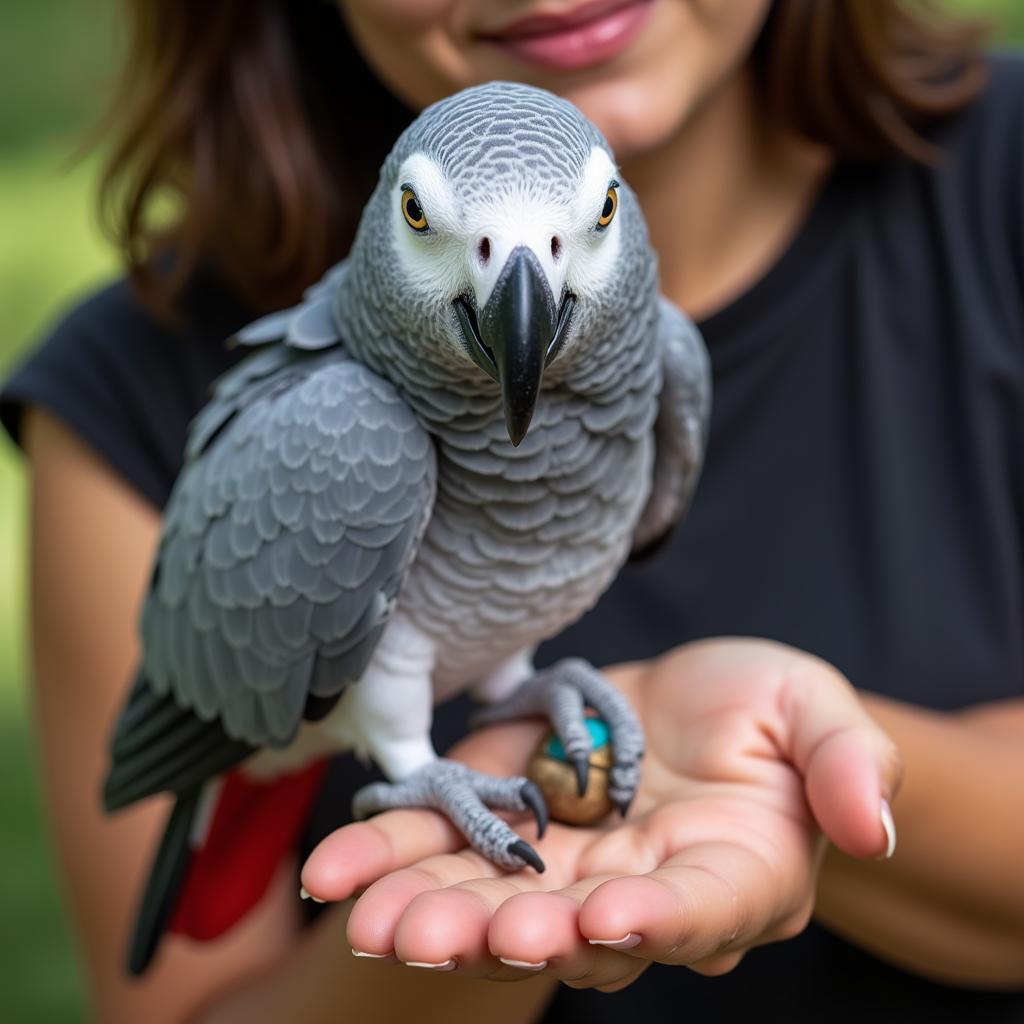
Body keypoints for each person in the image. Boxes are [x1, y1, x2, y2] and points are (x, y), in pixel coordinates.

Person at [2, 1, 1023, 1021]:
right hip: (281, 725)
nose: (515, 285)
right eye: (430, 225)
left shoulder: (667, 368)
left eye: (581, 228)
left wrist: (786, 768)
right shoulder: (284, 413)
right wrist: (480, 893)